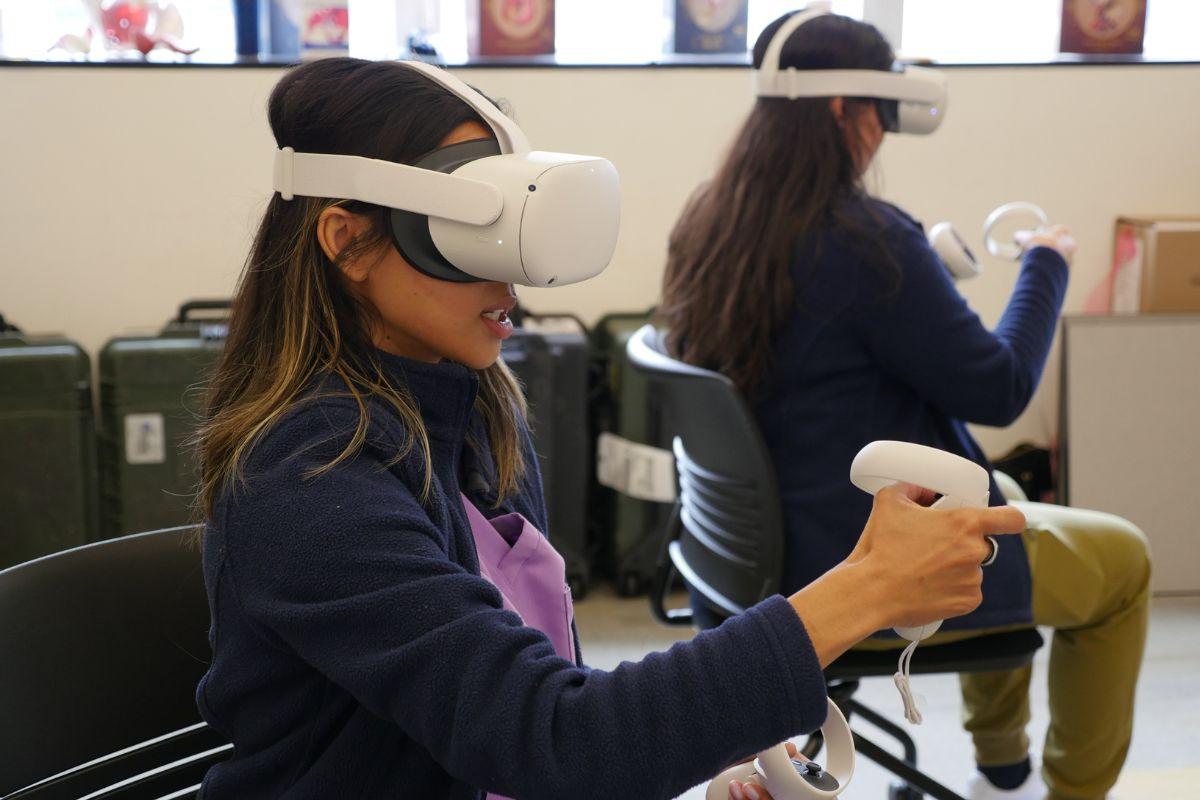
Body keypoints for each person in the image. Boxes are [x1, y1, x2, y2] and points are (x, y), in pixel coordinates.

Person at [192, 57, 1024, 799]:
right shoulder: (306, 479)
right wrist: (866, 586)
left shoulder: (482, 418)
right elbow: (554, 743)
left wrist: (703, 753)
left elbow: (539, 698)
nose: (513, 268)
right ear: (348, 241)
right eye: (463, 228)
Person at [660, 11, 1149, 800]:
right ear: (841, 110)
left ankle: (1002, 772)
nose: (883, 134)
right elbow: (999, 388)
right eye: (882, 114)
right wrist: (1045, 267)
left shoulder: (712, 219)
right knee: (1122, 559)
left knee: (1006, 494)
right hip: (850, 560)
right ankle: (1054, 786)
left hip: (763, 549)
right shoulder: (865, 238)